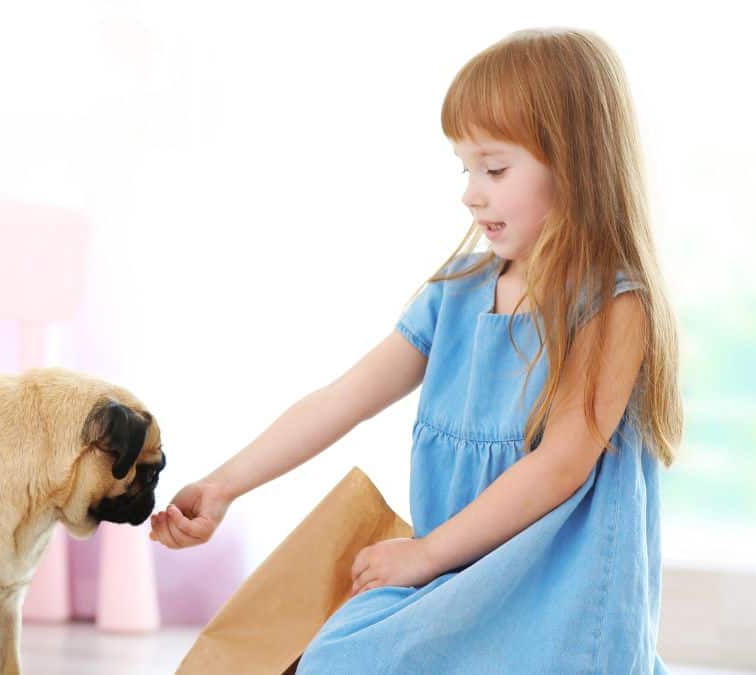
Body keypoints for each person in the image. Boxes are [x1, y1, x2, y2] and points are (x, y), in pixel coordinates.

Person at [150, 27, 682, 673]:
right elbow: (342, 398)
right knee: (331, 655)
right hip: (457, 579)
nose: (471, 192)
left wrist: (426, 554)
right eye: (465, 168)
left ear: (575, 163)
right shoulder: (458, 294)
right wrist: (225, 484)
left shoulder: (611, 304)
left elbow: (561, 463)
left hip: (559, 606)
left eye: (494, 167)